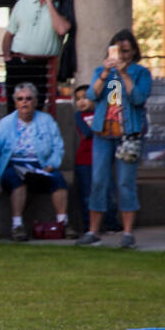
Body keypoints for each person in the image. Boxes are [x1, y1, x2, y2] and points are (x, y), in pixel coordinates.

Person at [76, 30, 153, 249]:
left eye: (126, 51)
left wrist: (125, 74)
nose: (122, 55)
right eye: (119, 51)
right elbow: (91, 96)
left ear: (133, 51)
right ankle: (93, 231)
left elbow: (138, 98)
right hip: (103, 133)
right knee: (99, 180)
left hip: (128, 134)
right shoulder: (102, 71)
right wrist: (105, 74)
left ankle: (127, 233)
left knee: (125, 182)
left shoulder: (141, 73)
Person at [0, 82, 68, 241]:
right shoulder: (5, 124)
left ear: (35, 101)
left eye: (29, 98)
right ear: (15, 102)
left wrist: (52, 164)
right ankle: (17, 226)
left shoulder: (47, 121)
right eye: (20, 99)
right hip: (13, 164)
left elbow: (58, 146)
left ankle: (63, 224)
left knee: (58, 179)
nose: (24, 102)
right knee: (17, 181)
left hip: (41, 164)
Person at [2, 0, 74, 112]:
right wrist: (8, 58)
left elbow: (62, 30)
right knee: (13, 108)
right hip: (17, 63)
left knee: (37, 108)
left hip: (42, 66)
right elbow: (9, 34)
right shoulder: (23, 3)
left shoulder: (64, 4)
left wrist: (49, 2)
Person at [71, 84, 97, 235]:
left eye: (85, 98)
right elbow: (87, 133)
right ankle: (88, 226)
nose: (81, 102)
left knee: (107, 192)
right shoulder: (78, 116)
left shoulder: (101, 112)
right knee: (86, 195)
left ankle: (111, 223)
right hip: (84, 161)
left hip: (100, 160)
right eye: (78, 99)